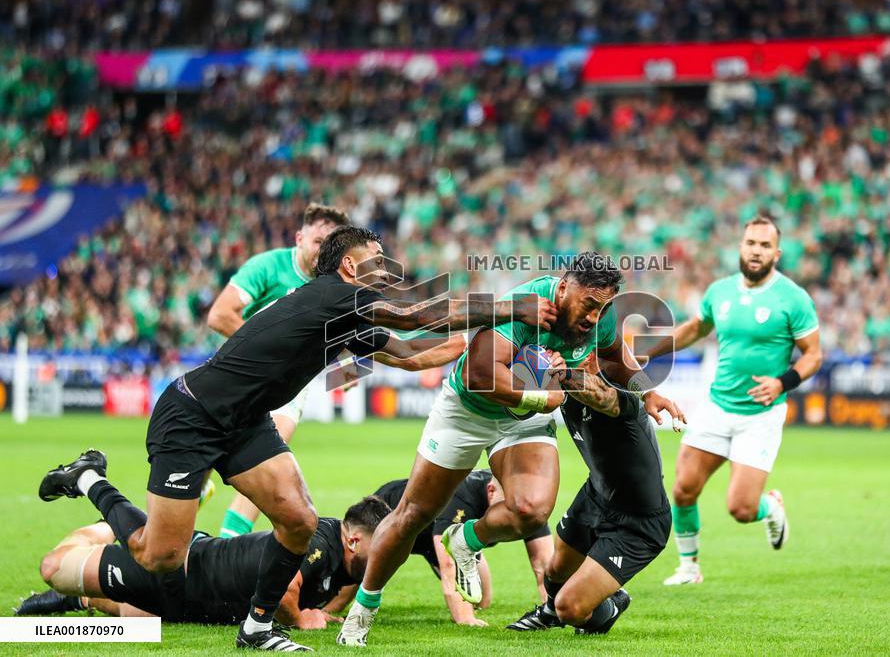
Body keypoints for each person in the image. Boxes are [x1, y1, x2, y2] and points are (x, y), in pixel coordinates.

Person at [38, 226, 556, 651]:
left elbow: (414, 353)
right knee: (160, 557)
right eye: (377, 261)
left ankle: (258, 626)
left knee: (299, 520)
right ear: (350, 268)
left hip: (245, 420)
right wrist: (512, 308)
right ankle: (89, 478)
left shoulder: (348, 315)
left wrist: (482, 343)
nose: (387, 269)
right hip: (192, 416)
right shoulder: (336, 294)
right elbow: (418, 315)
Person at [338, 252, 684, 647]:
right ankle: (362, 611)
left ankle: (465, 540)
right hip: (469, 412)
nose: (594, 316)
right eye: (589, 305)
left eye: (602, 307)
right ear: (564, 288)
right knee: (413, 514)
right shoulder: (526, 305)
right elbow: (479, 375)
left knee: (530, 510)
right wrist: (542, 400)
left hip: (523, 418)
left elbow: (615, 359)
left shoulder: (600, 315)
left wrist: (650, 392)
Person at [644, 217, 824, 585]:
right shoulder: (720, 292)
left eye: (763, 245)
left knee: (741, 509)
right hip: (717, 407)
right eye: (750, 243)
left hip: (760, 414)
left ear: (777, 253)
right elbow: (694, 329)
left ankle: (771, 506)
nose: (755, 250)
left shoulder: (793, 298)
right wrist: (647, 351)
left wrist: (782, 382)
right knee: (682, 489)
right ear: (740, 246)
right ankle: (689, 568)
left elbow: (813, 355)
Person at [17, 494, 390, 632]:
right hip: (180, 570)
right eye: (382, 548)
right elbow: (288, 589)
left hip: (197, 604)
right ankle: (106, 524)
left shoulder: (346, 567)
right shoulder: (320, 541)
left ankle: (80, 601)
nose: (385, 560)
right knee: (54, 568)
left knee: (136, 623)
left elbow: (338, 597)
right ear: (354, 540)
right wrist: (300, 618)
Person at [205, 202, 348, 539]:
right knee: (203, 455)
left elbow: (353, 335)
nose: (322, 251)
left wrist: (352, 369)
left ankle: (228, 545)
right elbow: (219, 315)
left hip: (288, 385)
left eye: (331, 246)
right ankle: (195, 491)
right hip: (238, 372)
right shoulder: (268, 266)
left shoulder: (334, 285)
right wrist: (265, 352)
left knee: (268, 458)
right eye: (317, 241)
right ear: (299, 237)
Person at [507, 351, 674, 634]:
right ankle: (549, 610)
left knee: (571, 608)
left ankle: (610, 607)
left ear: (596, 358)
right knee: (555, 571)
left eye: (581, 356)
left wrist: (563, 374)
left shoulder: (618, 389)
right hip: (596, 496)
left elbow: (602, 398)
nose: (572, 362)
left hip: (638, 523)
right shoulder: (566, 394)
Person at [373, 470, 552, 626]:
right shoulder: (463, 496)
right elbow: (449, 562)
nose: (518, 513)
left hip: (435, 534)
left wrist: (554, 609)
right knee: (362, 567)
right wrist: (465, 618)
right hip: (389, 510)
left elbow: (544, 563)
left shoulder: (527, 506)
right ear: (491, 492)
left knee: (481, 600)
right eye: (510, 507)